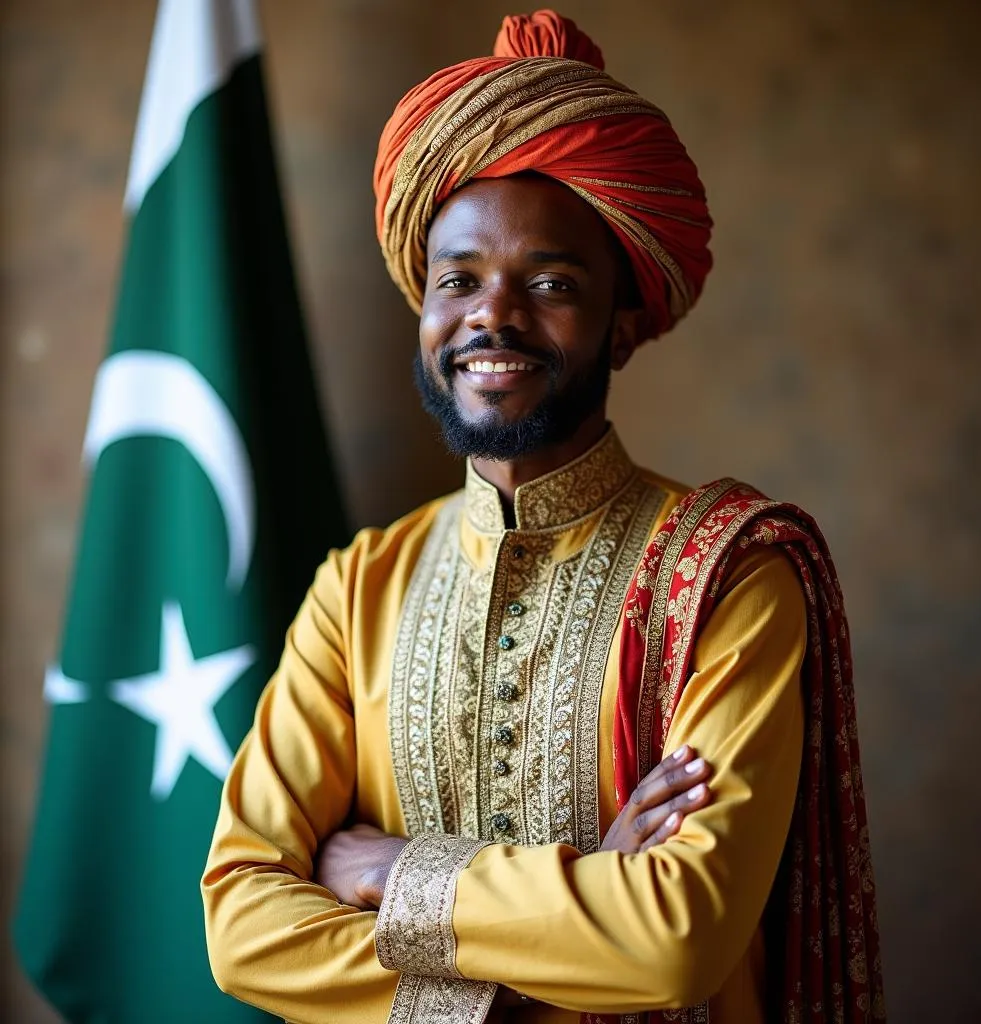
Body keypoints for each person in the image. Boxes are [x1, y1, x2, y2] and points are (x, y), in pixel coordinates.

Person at [201, 11, 884, 1024]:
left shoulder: (728, 575)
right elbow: (243, 926)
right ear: (424, 308)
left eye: (552, 284)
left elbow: (676, 936)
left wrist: (401, 870)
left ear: (624, 323)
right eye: (459, 280)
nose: (493, 315)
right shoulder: (358, 589)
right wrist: (573, 908)